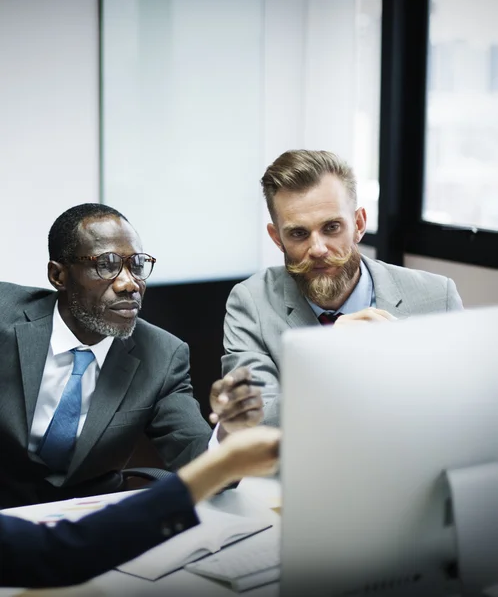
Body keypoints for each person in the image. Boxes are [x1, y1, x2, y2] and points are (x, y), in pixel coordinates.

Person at [0, 203, 263, 508]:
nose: (129, 284)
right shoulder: (5, 315)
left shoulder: (162, 357)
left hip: (90, 523)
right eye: (107, 265)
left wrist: (229, 431)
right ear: (58, 275)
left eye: (137, 265)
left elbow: (205, 468)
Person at [222, 150, 464, 426]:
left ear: (359, 224)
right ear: (277, 238)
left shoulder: (437, 297)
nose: (318, 249)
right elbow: (251, 426)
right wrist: (327, 360)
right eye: (298, 233)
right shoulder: (251, 303)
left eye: (332, 227)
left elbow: (462, 414)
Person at [0, 426, 280, 588]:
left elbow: (60, 551)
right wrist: (221, 466)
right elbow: (60, 552)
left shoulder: (163, 354)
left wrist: (223, 448)